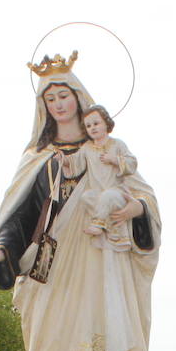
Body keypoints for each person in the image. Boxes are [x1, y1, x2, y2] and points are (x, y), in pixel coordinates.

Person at [0, 53, 161, 351]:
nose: (58, 104)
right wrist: (1, 251)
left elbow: (143, 197)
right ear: (43, 106)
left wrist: (137, 210)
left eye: (64, 95)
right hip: (56, 275)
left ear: (78, 98)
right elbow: (20, 217)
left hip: (102, 266)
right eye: (50, 98)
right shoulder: (37, 159)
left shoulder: (108, 150)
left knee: (106, 346)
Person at [71, 105, 137, 250]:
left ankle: (98, 225)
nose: (92, 128)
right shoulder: (87, 148)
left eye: (96, 123)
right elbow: (75, 163)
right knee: (86, 197)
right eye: (88, 126)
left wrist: (115, 159)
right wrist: (63, 160)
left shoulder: (117, 144)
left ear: (106, 123)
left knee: (108, 196)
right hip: (97, 193)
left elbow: (132, 163)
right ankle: (112, 228)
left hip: (117, 193)